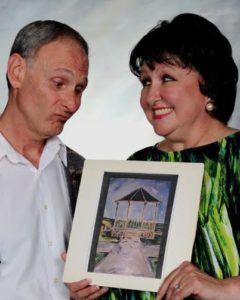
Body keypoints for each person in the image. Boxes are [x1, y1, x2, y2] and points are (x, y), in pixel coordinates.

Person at [102, 13, 240, 300]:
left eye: (167, 78)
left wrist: (224, 288)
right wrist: (89, 287)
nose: (151, 96)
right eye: (145, 81)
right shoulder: (136, 166)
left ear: (209, 86)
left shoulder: (236, 157)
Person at [0, 20, 108, 300]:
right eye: (59, 83)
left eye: (79, 89)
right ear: (17, 72)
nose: (72, 104)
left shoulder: (83, 173)